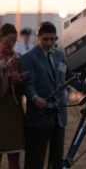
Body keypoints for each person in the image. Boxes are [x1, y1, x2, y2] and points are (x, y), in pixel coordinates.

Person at [20, 21, 80, 169]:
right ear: (38, 37)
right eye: (45, 39)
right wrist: (34, 98)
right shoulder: (29, 58)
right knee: (35, 159)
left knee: (57, 160)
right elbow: (29, 84)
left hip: (59, 117)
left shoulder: (60, 56)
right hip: (38, 117)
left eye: (53, 39)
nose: (50, 42)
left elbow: (71, 77)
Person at [0, 23, 26, 169]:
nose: (11, 44)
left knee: (14, 157)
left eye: (14, 41)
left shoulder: (18, 59)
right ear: (0, 38)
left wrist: (20, 80)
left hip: (14, 109)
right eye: (8, 40)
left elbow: (24, 89)